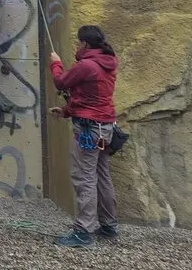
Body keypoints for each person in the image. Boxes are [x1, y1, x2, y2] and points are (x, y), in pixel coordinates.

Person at [49, 25, 119, 248]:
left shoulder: (87, 65)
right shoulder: (107, 62)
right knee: (101, 174)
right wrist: (67, 111)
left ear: (86, 44)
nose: (78, 45)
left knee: (84, 176)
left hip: (89, 129)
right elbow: (90, 97)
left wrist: (55, 63)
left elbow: (61, 82)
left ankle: (83, 232)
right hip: (105, 127)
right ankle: (108, 225)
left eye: (79, 42)